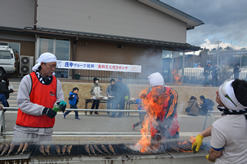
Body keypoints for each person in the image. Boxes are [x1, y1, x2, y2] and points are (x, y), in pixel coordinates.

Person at [11, 52, 66, 145]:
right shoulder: (28, 79)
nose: (53, 69)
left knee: (42, 159)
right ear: (42, 64)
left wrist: (60, 105)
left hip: (46, 131)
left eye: (55, 66)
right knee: (19, 157)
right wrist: (43, 110)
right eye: (51, 66)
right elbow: (22, 103)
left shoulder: (56, 83)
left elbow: (59, 99)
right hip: (25, 130)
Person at [192, 79, 247, 163]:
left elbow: (215, 153)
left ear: (228, 102)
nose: (216, 93)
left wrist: (210, 157)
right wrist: (201, 135)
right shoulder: (240, 114)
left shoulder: (220, 125)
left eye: (220, 94)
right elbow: (225, 128)